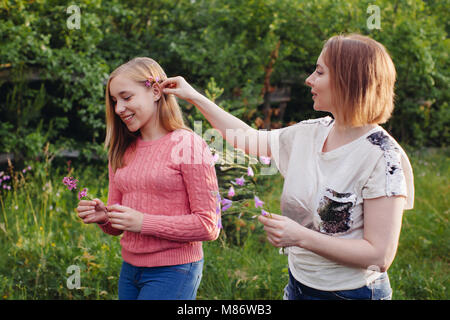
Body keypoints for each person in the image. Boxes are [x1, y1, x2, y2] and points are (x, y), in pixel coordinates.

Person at [160, 34, 414, 300]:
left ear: (347, 81)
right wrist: (193, 96)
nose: (309, 80)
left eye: (319, 72)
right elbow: (247, 138)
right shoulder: (309, 133)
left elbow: (379, 255)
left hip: (354, 293)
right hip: (298, 285)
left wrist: (300, 236)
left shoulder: (383, 157)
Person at [76, 57, 220, 300]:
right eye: (114, 101)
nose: (119, 108)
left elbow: (209, 225)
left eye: (126, 97)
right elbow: (119, 225)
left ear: (155, 91)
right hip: (129, 270)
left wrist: (144, 222)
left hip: (174, 271)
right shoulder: (120, 150)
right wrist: (105, 217)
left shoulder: (189, 145)